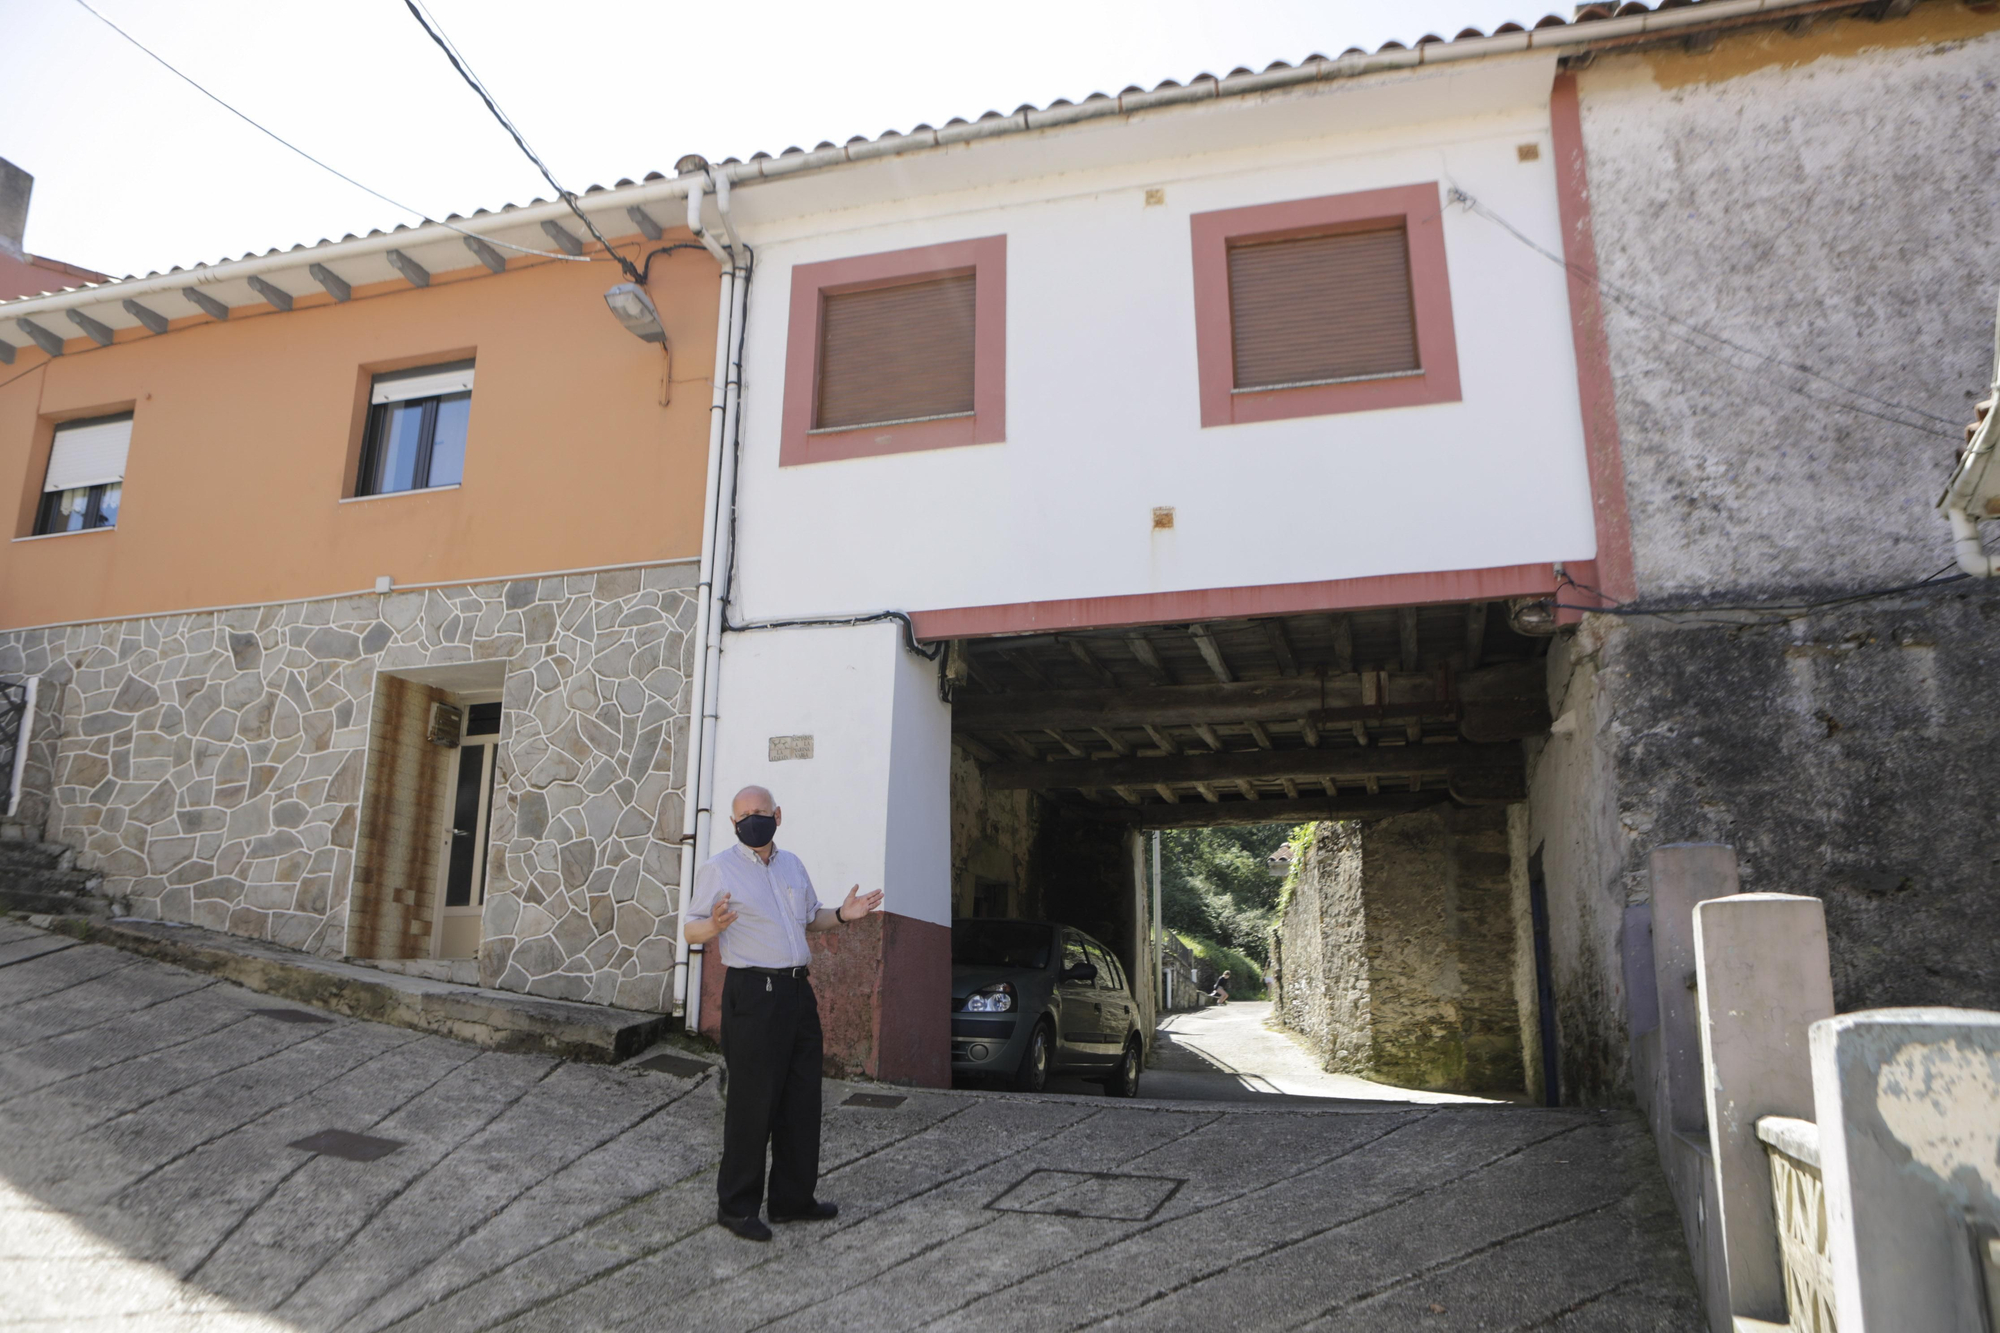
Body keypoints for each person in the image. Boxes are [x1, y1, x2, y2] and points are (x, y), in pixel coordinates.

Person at [684, 784, 883, 1243]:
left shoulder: (792, 864)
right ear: (733, 824)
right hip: (752, 994)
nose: (754, 818)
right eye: (744, 815)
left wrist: (844, 914)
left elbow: (811, 917)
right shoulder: (719, 868)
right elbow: (692, 929)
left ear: (778, 814)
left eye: (761, 811)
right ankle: (736, 1207)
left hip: (796, 993)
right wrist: (713, 925)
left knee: (800, 1100)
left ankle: (793, 1199)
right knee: (752, 1105)